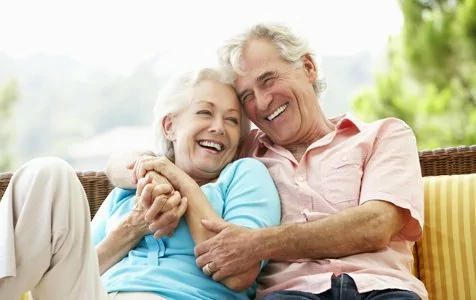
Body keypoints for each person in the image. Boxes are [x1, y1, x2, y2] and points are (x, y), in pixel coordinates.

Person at [113, 23, 428, 299]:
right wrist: (148, 171)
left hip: (380, 289)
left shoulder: (383, 135)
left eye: (268, 80)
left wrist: (255, 244)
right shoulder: (244, 150)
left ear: (308, 67)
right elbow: (141, 158)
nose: (262, 102)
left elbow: (376, 225)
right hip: (291, 295)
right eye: (247, 95)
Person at [0, 68, 281, 300]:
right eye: (205, 113)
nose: (219, 127)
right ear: (170, 126)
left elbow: (237, 274)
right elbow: (78, 270)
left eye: (232, 120)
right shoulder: (131, 188)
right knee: (48, 172)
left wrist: (183, 185)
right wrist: (133, 227)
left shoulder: (245, 176)